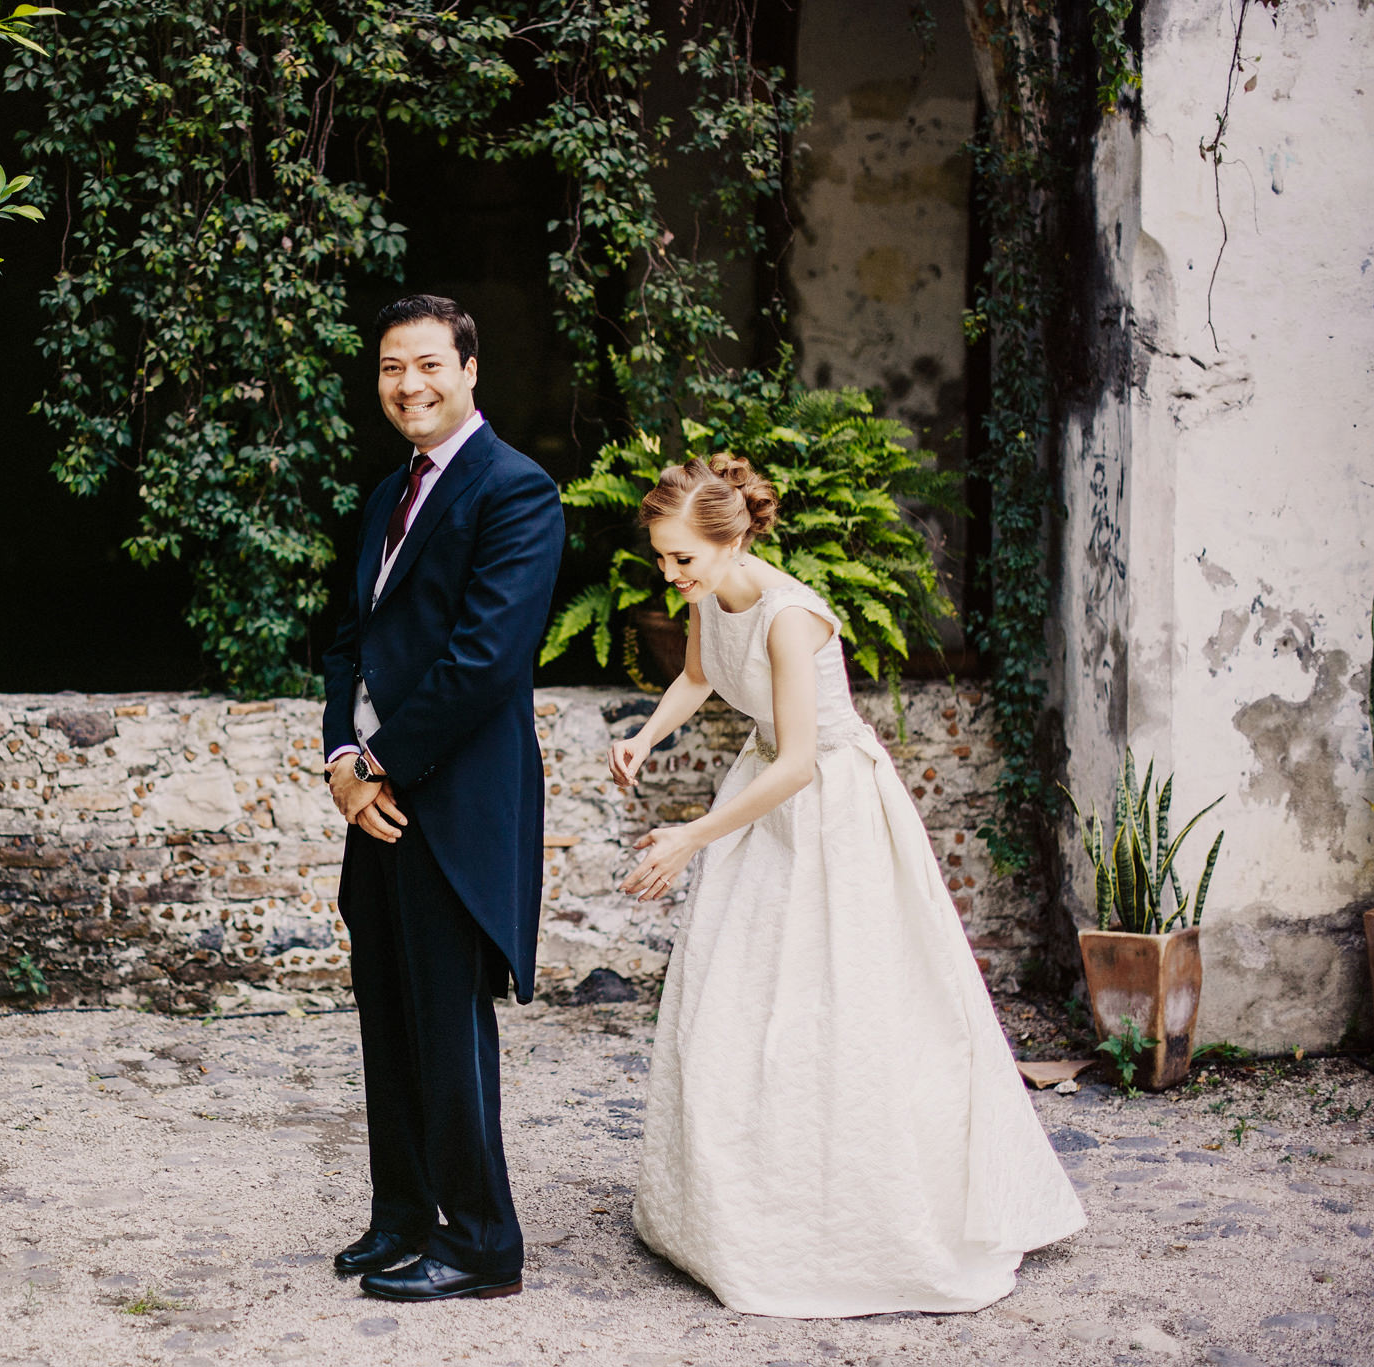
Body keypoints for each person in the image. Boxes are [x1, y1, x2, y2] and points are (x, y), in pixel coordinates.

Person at [610, 455, 1085, 1317]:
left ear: (735, 535)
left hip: (828, 805)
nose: (670, 575)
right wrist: (646, 739)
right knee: (734, 1000)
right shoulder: (711, 596)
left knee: (840, 1009)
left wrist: (689, 837)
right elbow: (698, 675)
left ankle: (864, 1211)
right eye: (664, 560)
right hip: (763, 797)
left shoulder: (792, 617)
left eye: (681, 558)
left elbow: (796, 762)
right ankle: (740, 1207)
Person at [318, 294, 565, 1302]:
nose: (406, 384)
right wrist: (339, 751)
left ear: (469, 368)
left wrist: (378, 763)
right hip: (372, 795)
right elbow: (346, 639)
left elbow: (484, 660)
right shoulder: (388, 493)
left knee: (450, 1025)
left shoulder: (516, 491)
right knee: (388, 1011)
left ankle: (480, 1242)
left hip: (454, 804)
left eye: (426, 364)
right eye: (389, 368)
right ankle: (402, 1215)